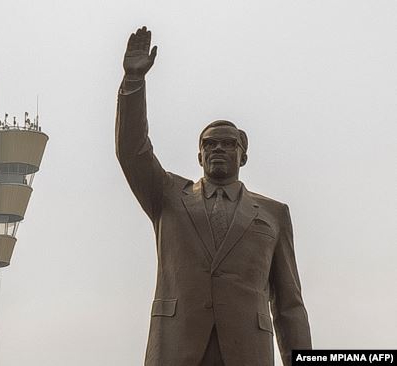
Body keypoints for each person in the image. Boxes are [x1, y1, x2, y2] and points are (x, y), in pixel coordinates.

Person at [116, 26, 312, 366]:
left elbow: (289, 305)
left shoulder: (273, 214)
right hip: (177, 348)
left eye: (228, 143)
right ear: (199, 156)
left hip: (246, 350)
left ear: (243, 155)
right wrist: (134, 82)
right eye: (209, 144)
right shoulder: (168, 196)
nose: (218, 148)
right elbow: (132, 151)